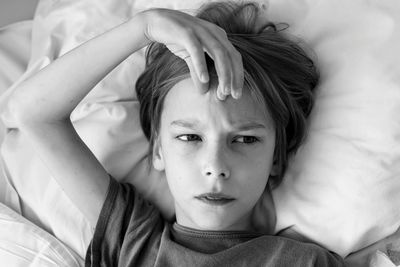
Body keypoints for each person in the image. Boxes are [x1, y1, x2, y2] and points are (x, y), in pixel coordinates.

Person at [4, 1, 344, 266]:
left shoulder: (306, 262)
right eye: (190, 138)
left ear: (277, 157)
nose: (215, 166)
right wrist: (145, 27)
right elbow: (34, 114)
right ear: (158, 150)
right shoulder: (133, 242)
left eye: (244, 139)